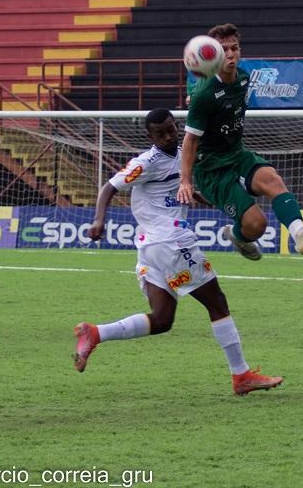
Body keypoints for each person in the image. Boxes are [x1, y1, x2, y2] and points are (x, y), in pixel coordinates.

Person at [72, 108, 283, 396]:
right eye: (160, 134)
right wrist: (99, 220)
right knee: (217, 303)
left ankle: (95, 333)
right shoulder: (146, 162)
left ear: (177, 126)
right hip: (171, 242)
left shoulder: (185, 153)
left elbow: (183, 188)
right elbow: (109, 187)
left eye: (171, 130)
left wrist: (208, 197)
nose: (168, 137)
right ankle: (241, 375)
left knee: (162, 319)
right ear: (151, 137)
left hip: (152, 248)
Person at [177, 23, 303, 261]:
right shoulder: (204, 94)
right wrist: (186, 181)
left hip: (236, 155)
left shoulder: (243, 77)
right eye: (224, 50)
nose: (231, 54)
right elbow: (190, 141)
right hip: (212, 169)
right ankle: (237, 236)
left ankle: (300, 233)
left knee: (273, 181)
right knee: (257, 225)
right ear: (214, 55)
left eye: (235, 48)